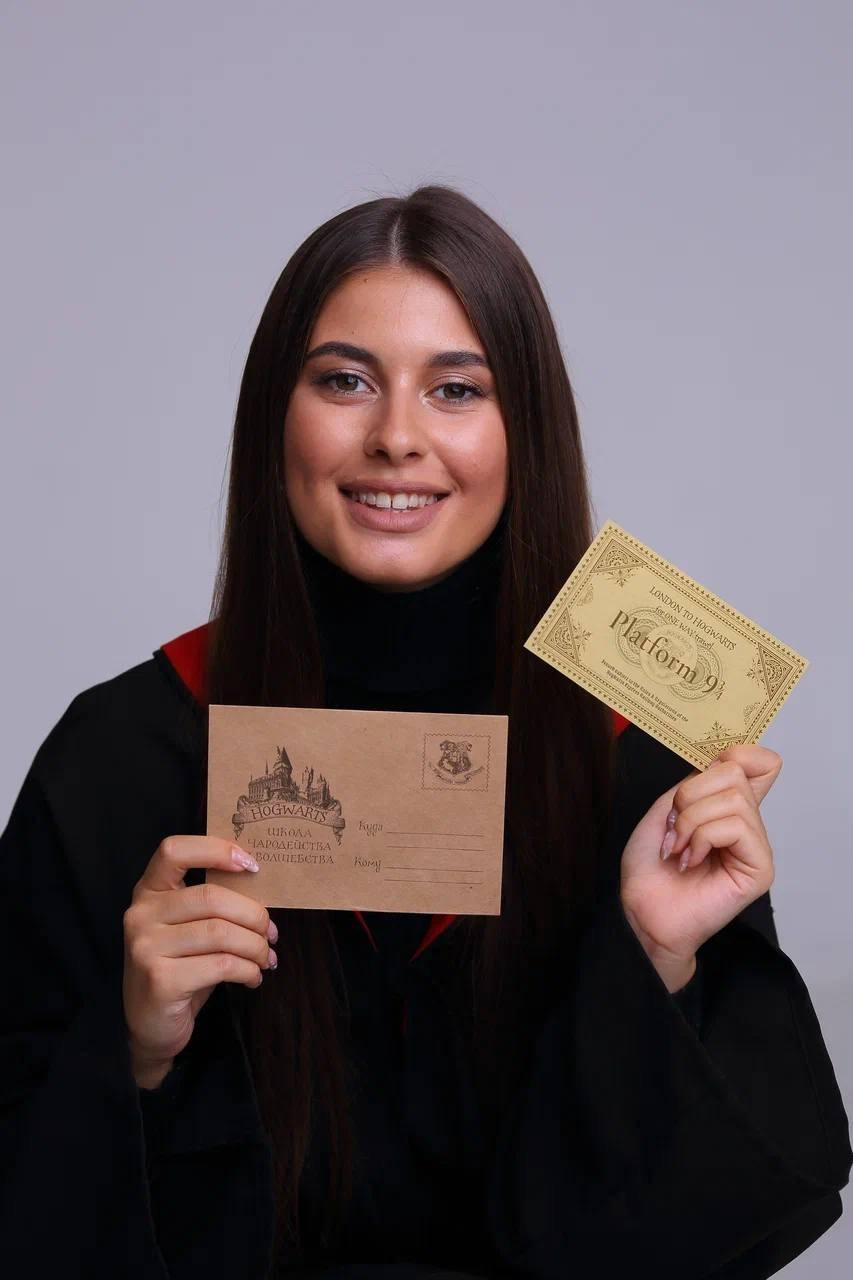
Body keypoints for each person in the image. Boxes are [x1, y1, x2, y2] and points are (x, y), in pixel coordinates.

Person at [0, 184, 849, 1280]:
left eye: (457, 389)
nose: (396, 437)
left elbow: (726, 1217)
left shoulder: (640, 767)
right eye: (344, 380)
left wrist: (650, 956)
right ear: (275, 415)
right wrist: (132, 1051)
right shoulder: (125, 753)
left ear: (523, 427)